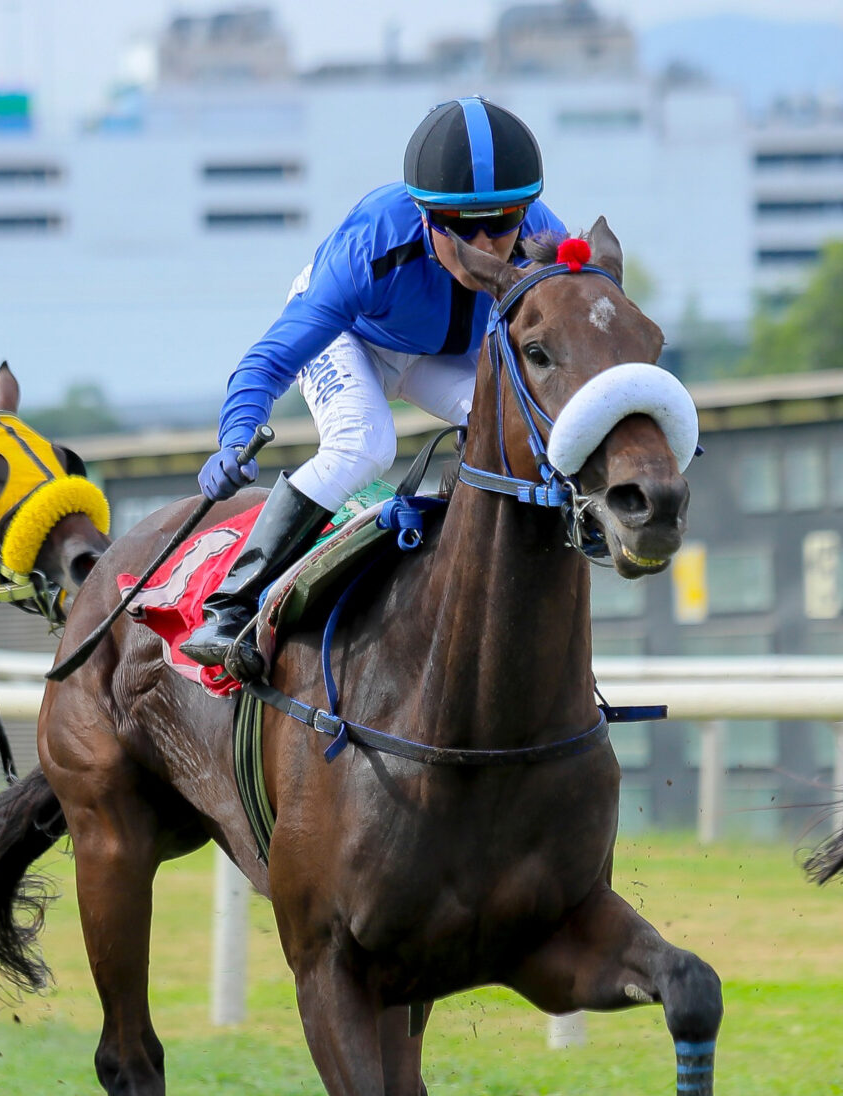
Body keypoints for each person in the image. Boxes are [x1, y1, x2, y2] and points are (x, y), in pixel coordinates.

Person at [181, 96, 566, 679]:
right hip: (352, 339)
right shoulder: (369, 247)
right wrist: (234, 439)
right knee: (366, 444)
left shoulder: (545, 245)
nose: (487, 246)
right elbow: (266, 364)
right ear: (425, 214)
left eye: (504, 221)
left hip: (432, 354)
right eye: (463, 227)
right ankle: (231, 601)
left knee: (525, 425)